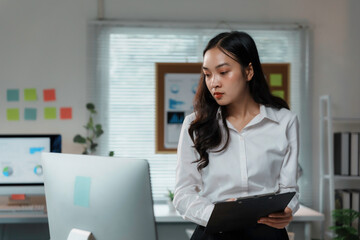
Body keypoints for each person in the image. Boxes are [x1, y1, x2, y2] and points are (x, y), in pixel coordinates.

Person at [173, 31, 299, 240]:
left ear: (249, 71)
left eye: (223, 72)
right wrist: (216, 214)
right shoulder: (194, 125)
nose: (214, 83)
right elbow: (183, 194)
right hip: (214, 233)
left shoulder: (284, 122)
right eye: (208, 74)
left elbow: (289, 188)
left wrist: (287, 211)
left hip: (266, 234)